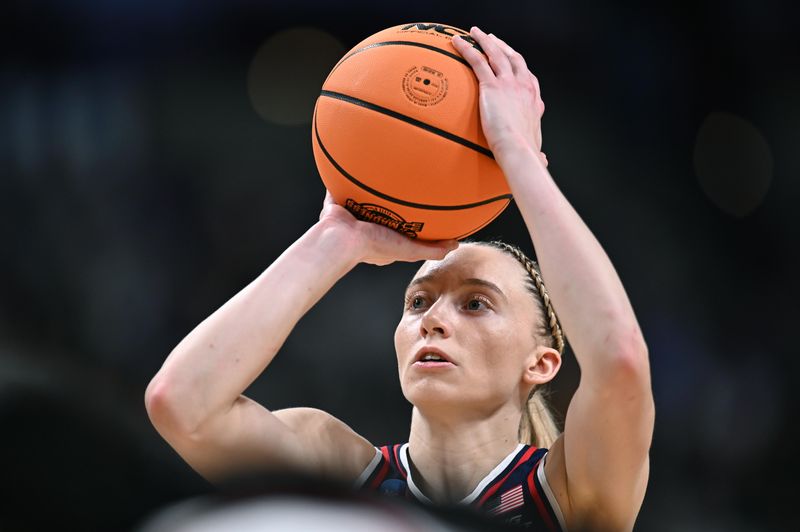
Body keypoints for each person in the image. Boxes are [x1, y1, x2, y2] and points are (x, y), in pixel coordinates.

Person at [145, 26, 655, 531]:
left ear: (541, 363)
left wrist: (516, 152)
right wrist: (335, 240)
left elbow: (620, 361)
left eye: (475, 303)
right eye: (417, 302)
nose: (432, 320)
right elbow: (184, 403)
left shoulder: (568, 491)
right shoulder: (339, 469)